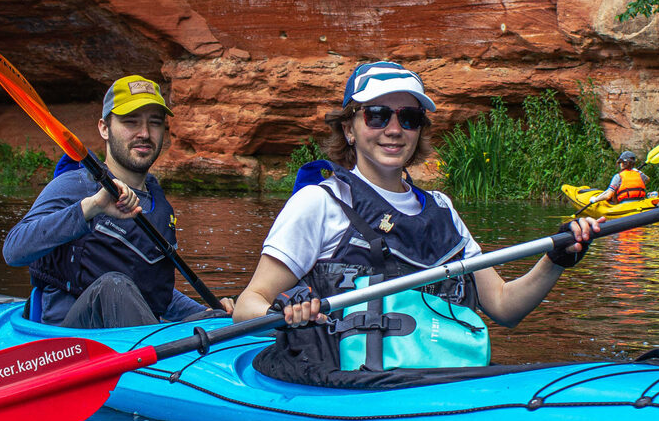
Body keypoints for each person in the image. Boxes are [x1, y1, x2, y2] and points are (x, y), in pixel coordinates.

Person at [234, 60, 599, 374]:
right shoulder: (321, 202)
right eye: (376, 115)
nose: (394, 129)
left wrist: (555, 260)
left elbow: (504, 306)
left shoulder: (442, 210)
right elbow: (249, 303)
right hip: (349, 385)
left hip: (440, 381)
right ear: (349, 128)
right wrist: (285, 310)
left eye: (409, 118)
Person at [3, 74, 230, 327]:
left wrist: (215, 316)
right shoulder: (76, 186)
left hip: (131, 337)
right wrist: (92, 207)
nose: (144, 133)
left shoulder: (159, 206)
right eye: (131, 122)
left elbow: (157, 296)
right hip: (69, 341)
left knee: (218, 318)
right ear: (104, 128)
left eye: (154, 123)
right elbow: (13, 251)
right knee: (115, 286)